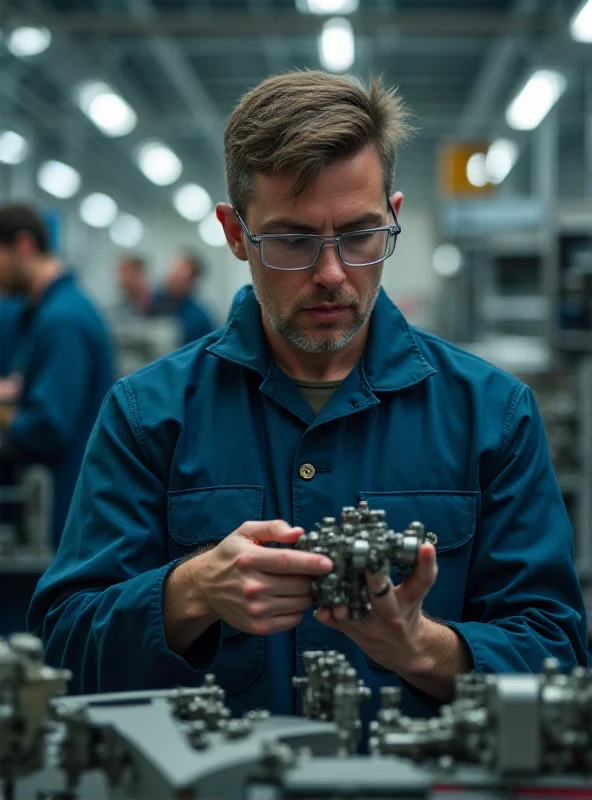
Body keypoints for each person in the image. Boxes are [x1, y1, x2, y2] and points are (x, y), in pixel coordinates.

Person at [29, 72, 587, 737]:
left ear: (394, 217)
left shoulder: (492, 417)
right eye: (292, 240)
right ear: (235, 235)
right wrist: (191, 592)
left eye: (359, 235)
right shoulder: (147, 416)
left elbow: (557, 653)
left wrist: (422, 647)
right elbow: (64, 650)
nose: (331, 274)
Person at [0, 204, 114, 632]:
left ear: (23, 246)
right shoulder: (52, 312)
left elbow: (49, 426)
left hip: (59, 515)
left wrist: (5, 415)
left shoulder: (63, 320)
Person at [151, 252, 216, 344]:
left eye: (179, 274)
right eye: (172, 270)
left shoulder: (199, 319)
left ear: (192, 281)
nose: (172, 276)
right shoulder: (153, 303)